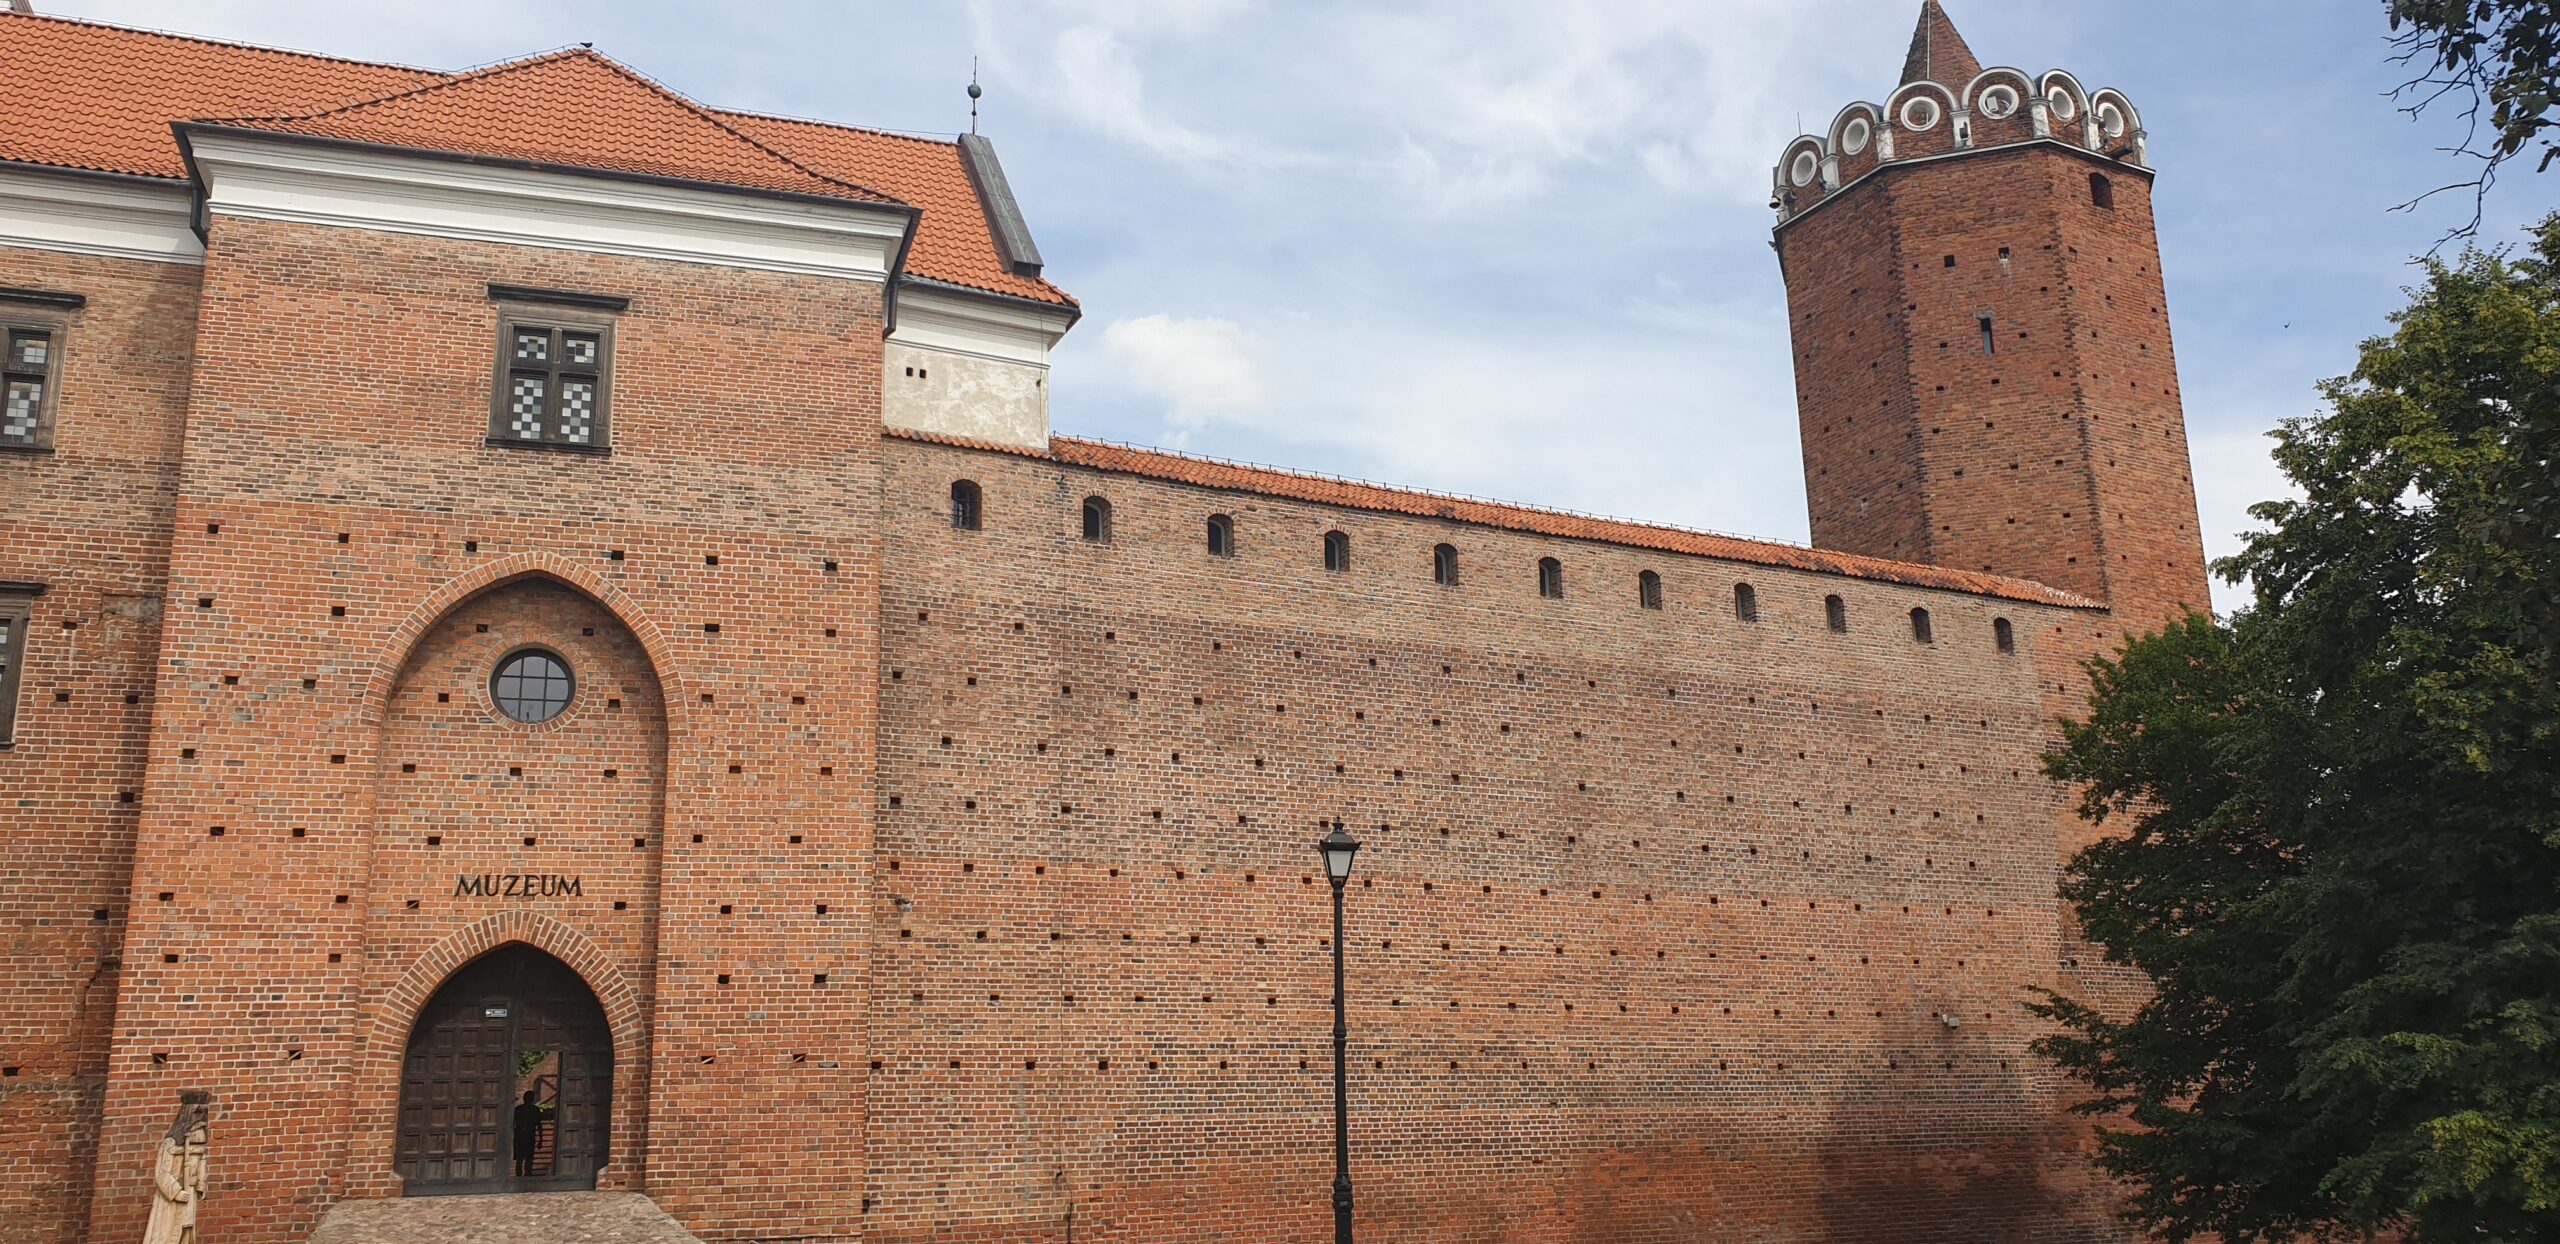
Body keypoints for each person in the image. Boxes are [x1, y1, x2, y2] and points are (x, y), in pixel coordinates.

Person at [142, 1091, 208, 1244]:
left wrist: (200, 1184)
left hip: (190, 1193)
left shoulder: (200, 1138)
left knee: (186, 1230)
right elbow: (162, 1172)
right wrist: (176, 1192)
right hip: (173, 1197)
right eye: (198, 1112)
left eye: (204, 1113)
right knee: (167, 1231)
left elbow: (201, 1162)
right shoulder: (171, 1142)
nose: (201, 1118)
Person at [512, 1090, 545, 1177]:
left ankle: (519, 1177)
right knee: (528, 1160)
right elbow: (539, 1126)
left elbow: (512, 1125)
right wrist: (541, 1139)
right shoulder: (535, 1110)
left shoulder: (518, 1109)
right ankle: (527, 1177)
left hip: (520, 1137)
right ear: (532, 1099)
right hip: (529, 1137)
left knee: (520, 1160)